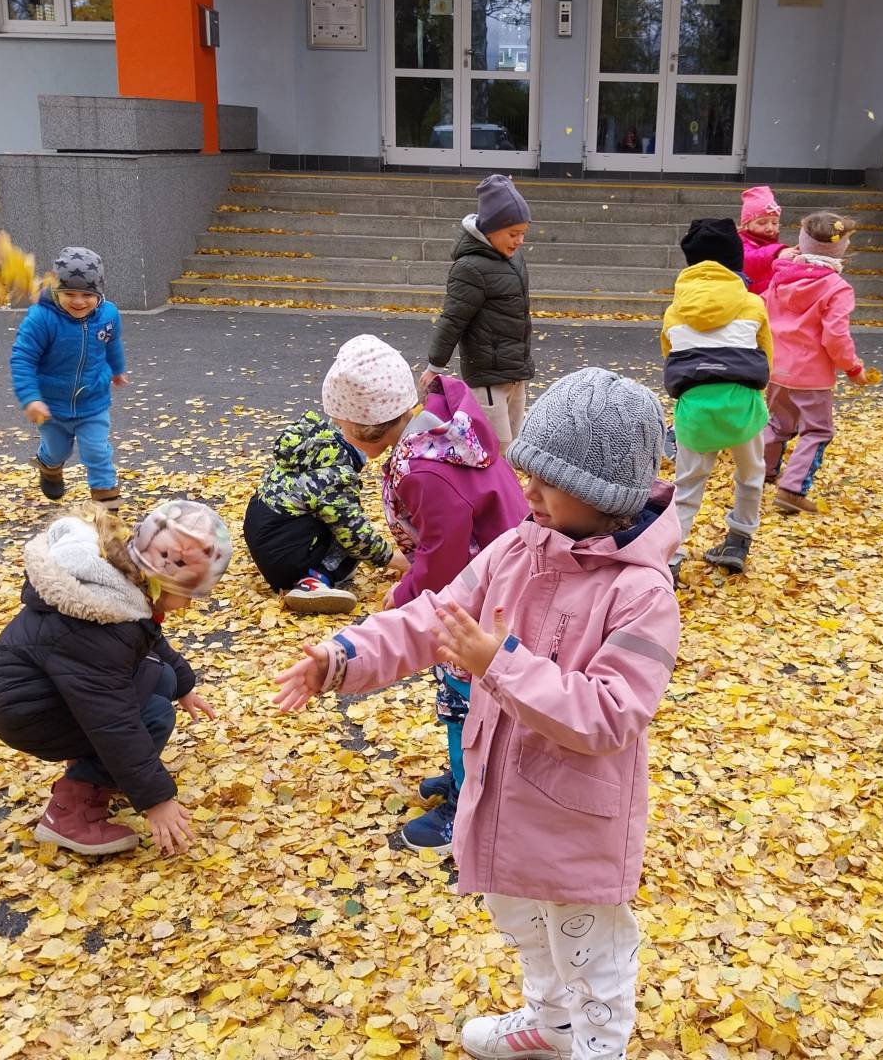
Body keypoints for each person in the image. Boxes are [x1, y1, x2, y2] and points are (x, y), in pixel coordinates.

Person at [275, 367, 680, 1060]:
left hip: (577, 819)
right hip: (502, 794)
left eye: (547, 480)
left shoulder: (641, 594)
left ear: (599, 493)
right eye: (529, 473)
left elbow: (612, 714)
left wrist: (500, 663)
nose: (527, 490)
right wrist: (344, 656)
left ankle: (597, 1046)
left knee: (590, 953)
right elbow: (434, 617)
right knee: (523, 922)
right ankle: (551, 1025)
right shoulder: (519, 547)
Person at [322, 333, 528, 851]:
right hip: (494, 577)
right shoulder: (440, 428)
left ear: (364, 427)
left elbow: (445, 556)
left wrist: (407, 592)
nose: (342, 433)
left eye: (342, 424)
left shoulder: (426, 470)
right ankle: (466, 771)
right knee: (468, 690)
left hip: (480, 596)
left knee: (463, 692)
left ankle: (468, 797)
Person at [0, 501, 232, 856]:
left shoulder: (118, 586)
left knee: (162, 679)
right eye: (189, 594)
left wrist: (184, 684)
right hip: (28, 713)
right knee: (154, 716)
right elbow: (113, 722)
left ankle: (88, 766)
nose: (190, 605)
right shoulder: (99, 626)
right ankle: (69, 813)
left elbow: (149, 638)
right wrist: (157, 800)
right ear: (161, 581)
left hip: (50, 690)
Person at [662, 218, 772, 587]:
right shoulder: (753, 304)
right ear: (736, 262)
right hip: (742, 404)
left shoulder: (675, 310)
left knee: (687, 486)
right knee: (750, 475)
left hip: (695, 407)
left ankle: (670, 559)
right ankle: (738, 542)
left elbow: (670, 354)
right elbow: (766, 355)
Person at [243, 409, 409, 614]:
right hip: (289, 559)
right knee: (350, 532)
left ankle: (313, 573)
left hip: (268, 544)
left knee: (339, 517)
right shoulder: (337, 472)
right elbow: (355, 535)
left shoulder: (313, 451)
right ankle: (313, 581)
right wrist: (399, 561)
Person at [762, 212, 868, 514]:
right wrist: (852, 367)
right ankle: (792, 490)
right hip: (812, 375)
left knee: (777, 423)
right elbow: (836, 336)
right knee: (818, 431)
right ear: (840, 249)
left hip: (777, 367)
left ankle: (762, 472)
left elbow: (763, 309)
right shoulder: (836, 287)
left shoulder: (781, 276)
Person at [423, 175, 533, 453]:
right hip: (488, 379)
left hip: (515, 372)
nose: (520, 240)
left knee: (516, 448)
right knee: (495, 449)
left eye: (523, 233)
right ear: (492, 229)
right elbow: (453, 320)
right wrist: (435, 366)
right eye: (513, 234)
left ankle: (512, 483)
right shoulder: (469, 268)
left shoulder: (513, 259)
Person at [10, 246, 128, 505]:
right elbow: (23, 359)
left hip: (93, 402)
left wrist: (117, 369)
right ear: (55, 290)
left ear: (99, 292)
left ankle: (106, 507)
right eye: (69, 294)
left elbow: (112, 343)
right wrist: (30, 398)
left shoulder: (108, 315)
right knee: (57, 451)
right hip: (52, 406)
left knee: (97, 452)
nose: (78, 301)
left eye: (87, 294)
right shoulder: (41, 318)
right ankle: (49, 467)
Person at [737, 185, 797, 295]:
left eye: (774, 223)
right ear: (746, 225)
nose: (770, 228)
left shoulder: (770, 243)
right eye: (762, 223)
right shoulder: (740, 242)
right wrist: (777, 252)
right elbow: (749, 258)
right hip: (751, 299)